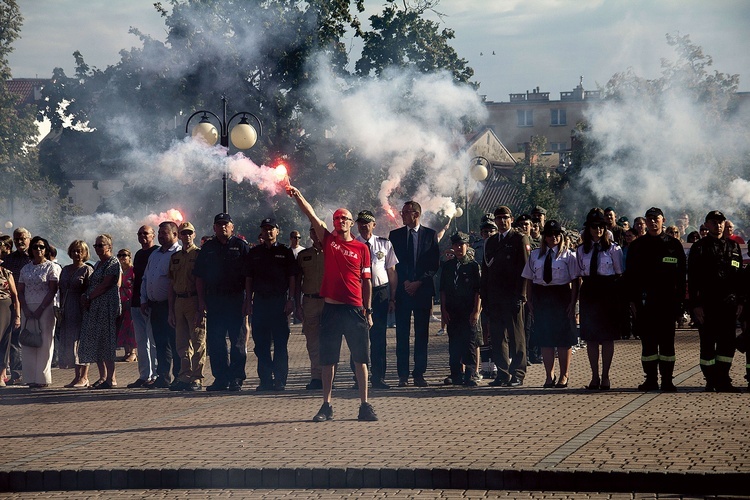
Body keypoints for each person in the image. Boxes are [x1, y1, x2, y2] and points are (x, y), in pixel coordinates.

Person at [288, 184, 378, 422]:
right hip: (331, 310)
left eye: (345, 218)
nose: (340, 221)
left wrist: (368, 311)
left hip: (355, 310)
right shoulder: (328, 241)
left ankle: (365, 405)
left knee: (360, 359)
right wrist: (298, 195)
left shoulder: (362, 248)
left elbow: (367, 281)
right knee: (329, 360)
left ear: (351, 222)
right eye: (337, 218)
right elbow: (311, 214)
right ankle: (326, 405)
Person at [625, 207, 686, 392]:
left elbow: (681, 277)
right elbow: (630, 277)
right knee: (648, 344)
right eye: (649, 219)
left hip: (668, 303)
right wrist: (633, 302)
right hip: (645, 303)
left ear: (663, 220)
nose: (653, 222)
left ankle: (667, 380)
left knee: (667, 343)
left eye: (656, 219)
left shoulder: (674, 246)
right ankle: (650, 379)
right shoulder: (637, 246)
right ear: (645, 221)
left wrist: (680, 304)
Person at [193, 213, 251, 392]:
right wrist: (201, 301)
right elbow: (199, 277)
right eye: (219, 225)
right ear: (214, 228)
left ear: (232, 227)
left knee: (237, 342)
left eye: (226, 224)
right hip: (215, 301)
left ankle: (236, 378)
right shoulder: (208, 248)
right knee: (216, 342)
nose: (222, 227)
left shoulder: (241, 247)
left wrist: (248, 300)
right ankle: (221, 378)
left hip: (236, 300)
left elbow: (249, 276)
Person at [688, 210, 744, 392]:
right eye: (713, 222)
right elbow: (693, 279)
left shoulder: (733, 247)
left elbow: (739, 279)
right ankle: (710, 379)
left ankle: (723, 379)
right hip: (707, 305)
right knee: (707, 344)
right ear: (707, 224)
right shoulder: (699, 248)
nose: (718, 225)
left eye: (720, 222)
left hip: (728, 305)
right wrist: (695, 306)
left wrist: (740, 301)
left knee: (727, 344)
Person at [522, 220, 579, 388]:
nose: (553, 237)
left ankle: (564, 375)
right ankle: (549, 375)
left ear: (561, 236)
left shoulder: (569, 255)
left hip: (561, 296)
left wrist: (573, 302)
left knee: (563, 339)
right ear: (544, 237)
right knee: (545, 339)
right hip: (541, 296)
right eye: (549, 235)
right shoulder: (535, 255)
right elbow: (530, 280)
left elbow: (576, 281)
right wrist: (529, 301)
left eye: (556, 234)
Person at [389, 201, 440, 387]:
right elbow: (393, 263)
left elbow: (434, 264)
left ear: (416, 214)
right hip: (403, 291)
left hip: (422, 291)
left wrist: (418, 282)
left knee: (421, 335)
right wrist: (405, 282)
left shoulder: (430, 235)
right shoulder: (395, 235)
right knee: (402, 335)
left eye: (405, 212)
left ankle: (419, 373)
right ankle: (402, 375)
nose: (402, 215)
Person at [244, 218, 297, 391]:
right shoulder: (255, 252)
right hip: (260, 302)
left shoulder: (285, 252)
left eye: (271, 229)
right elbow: (249, 278)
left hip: (279, 302)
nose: (268, 232)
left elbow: (292, 277)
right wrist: (248, 301)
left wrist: (291, 299)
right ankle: (265, 380)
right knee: (261, 344)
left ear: (277, 231)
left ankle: (280, 379)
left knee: (281, 343)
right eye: (265, 229)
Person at [481, 205, 531, 387]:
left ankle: (517, 373)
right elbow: (486, 271)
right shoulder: (491, 242)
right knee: (497, 336)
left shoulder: (519, 239)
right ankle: (502, 373)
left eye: (505, 218)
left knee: (516, 336)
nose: (502, 221)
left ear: (511, 219)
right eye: (499, 218)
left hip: (512, 295)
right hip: (495, 296)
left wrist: (521, 295)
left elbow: (525, 269)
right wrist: (484, 297)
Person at [576, 210, 624, 390]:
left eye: (601, 227)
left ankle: (605, 376)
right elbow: (580, 273)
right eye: (594, 227)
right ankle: (594, 376)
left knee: (607, 337)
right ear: (588, 229)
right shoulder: (581, 249)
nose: (598, 230)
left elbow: (619, 272)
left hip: (608, 291)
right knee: (592, 337)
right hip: (589, 291)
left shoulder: (613, 248)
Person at [354, 210, 398, 390]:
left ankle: (378, 377)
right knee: (357, 337)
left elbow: (392, 271)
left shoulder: (384, 244)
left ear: (374, 225)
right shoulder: (353, 244)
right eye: (361, 223)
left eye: (367, 223)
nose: (364, 226)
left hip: (380, 294)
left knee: (379, 337)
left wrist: (393, 298)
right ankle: (358, 378)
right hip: (357, 293)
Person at [141, 221, 182, 389]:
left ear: (174, 234)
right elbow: (146, 278)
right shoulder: (155, 254)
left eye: (164, 233)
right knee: (160, 342)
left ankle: (179, 377)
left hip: (171, 306)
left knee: (175, 341)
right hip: (155, 306)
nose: (160, 236)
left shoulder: (178, 253)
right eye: (159, 233)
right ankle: (163, 377)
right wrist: (144, 299)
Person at [78, 234, 122, 389]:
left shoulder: (113, 262)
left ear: (109, 247)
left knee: (106, 341)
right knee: (97, 342)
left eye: (101, 245)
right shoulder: (97, 264)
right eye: (96, 245)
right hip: (94, 308)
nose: (98, 248)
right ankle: (102, 376)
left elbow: (106, 284)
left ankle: (111, 377)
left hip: (107, 307)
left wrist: (90, 296)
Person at [167, 222, 206, 392]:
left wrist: (202, 306)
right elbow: (171, 283)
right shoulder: (175, 257)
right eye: (184, 233)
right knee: (182, 343)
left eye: (190, 233)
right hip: (179, 301)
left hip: (194, 300)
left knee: (198, 341)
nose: (187, 236)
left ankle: (197, 378)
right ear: (179, 236)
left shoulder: (199, 255)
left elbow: (202, 281)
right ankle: (184, 376)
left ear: (194, 235)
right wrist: (170, 310)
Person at [17, 236, 60, 388]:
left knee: (44, 342)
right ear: (31, 250)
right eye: (35, 247)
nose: (38, 250)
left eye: (41, 247)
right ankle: (29, 377)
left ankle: (42, 378)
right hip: (28, 308)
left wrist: (41, 308)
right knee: (28, 342)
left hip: (45, 308)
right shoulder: (25, 268)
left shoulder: (50, 267)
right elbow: (20, 291)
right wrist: (26, 309)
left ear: (46, 249)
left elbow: (53, 289)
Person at [440, 232, 482, 386]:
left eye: (462, 245)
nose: (459, 248)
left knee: (469, 343)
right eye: (456, 245)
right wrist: (443, 310)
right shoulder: (448, 266)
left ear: (467, 246)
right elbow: (443, 290)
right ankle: (456, 374)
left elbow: (478, 291)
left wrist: (476, 311)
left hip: (468, 310)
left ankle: (470, 375)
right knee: (454, 344)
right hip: (452, 311)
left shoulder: (473, 266)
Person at [126, 226, 159, 389]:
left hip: (150, 302)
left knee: (153, 340)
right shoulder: (138, 254)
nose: (142, 236)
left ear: (153, 235)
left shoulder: (157, 253)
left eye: (146, 233)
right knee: (141, 341)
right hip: (136, 301)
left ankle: (156, 374)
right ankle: (144, 375)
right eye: (139, 234)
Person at [295, 223, 327, 390]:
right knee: (313, 341)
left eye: (318, 232)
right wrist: (297, 304)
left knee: (329, 340)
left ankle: (329, 377)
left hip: (328, 302)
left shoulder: (332, 252)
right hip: (309, 301)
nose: (316, 235)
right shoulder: (303, 255)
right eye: (312, 232)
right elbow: (297, 281)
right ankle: (316, 377)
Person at [58, 240, 93, 388]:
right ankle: (76, 376)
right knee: (71, 342)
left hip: (81, 308)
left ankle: (84, 377)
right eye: (74, 251)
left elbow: (91, 290)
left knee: (82, 342)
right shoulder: (65, 269)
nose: (77, 254)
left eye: (80, 251)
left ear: (85, 253)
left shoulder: (87, 270)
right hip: (67, 307)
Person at [2, 227, 31, 385]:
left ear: (29, 239)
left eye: (23, 238)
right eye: (16, 239)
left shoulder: (34, 256)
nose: (20, 241)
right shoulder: (9, 259)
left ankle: (33, 373)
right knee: (14, 339)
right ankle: (17, 373)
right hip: (14, 303)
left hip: (33, 302)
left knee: (33, 337)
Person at [0, 254, 21, 387]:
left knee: (4, 342)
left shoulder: (6, 272)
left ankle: (1, 375)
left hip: (5, 308)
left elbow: (15, 295)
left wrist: (17, 316)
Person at [116, 248, 136, 363]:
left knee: (131, 327)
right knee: (122, 327)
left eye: (124, 255)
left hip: (130, 300)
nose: (122, 258)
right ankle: (126, 351)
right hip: (121, 302)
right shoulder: (119, 271)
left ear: (129, 257)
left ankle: (132, 352)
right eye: (119, 255)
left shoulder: (133, 271)